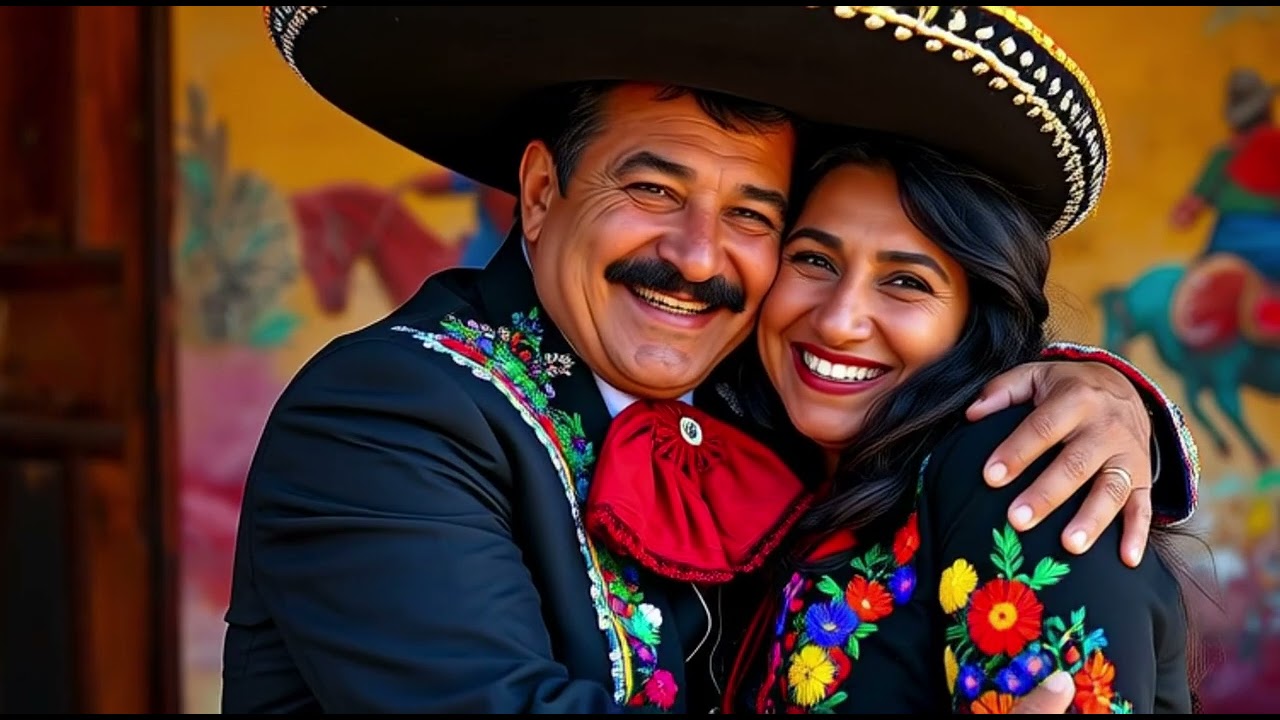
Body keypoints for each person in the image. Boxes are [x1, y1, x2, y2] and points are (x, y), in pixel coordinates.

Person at [224, 6, 1200, 714]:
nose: (696, 257)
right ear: (535, 193)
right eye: (652, 188)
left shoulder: (766, 407)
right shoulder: (389, 412)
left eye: (751, 217)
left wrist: (1099, 390)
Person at [710, 83, 1198, 718]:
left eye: (906, 282)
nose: (837, 321)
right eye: (814, 260)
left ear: (977, 317)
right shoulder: (770, 461)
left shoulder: (1018, 468)